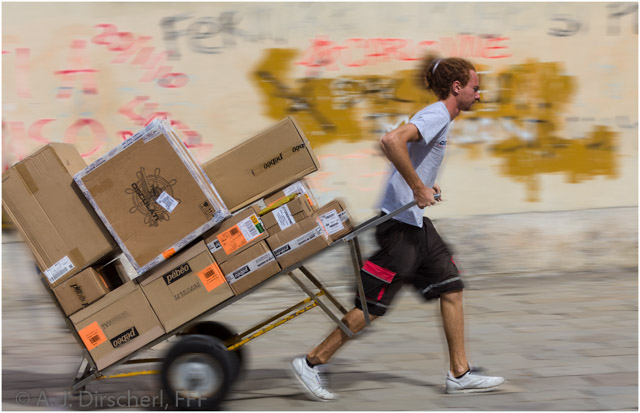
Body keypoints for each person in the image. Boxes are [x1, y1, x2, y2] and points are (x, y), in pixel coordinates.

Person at [291, 55, 505, 401]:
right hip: (399, 228)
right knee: (372, 307)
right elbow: (391, 141)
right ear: (457, 87)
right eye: (475, 88)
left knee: (451, 288)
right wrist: (418, 187)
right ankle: (311, 362)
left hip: (416, 224)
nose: (479, 95)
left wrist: (424, 183)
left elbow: (409, 153)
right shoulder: (437, 114)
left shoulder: (440, 117)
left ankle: (459, 373)